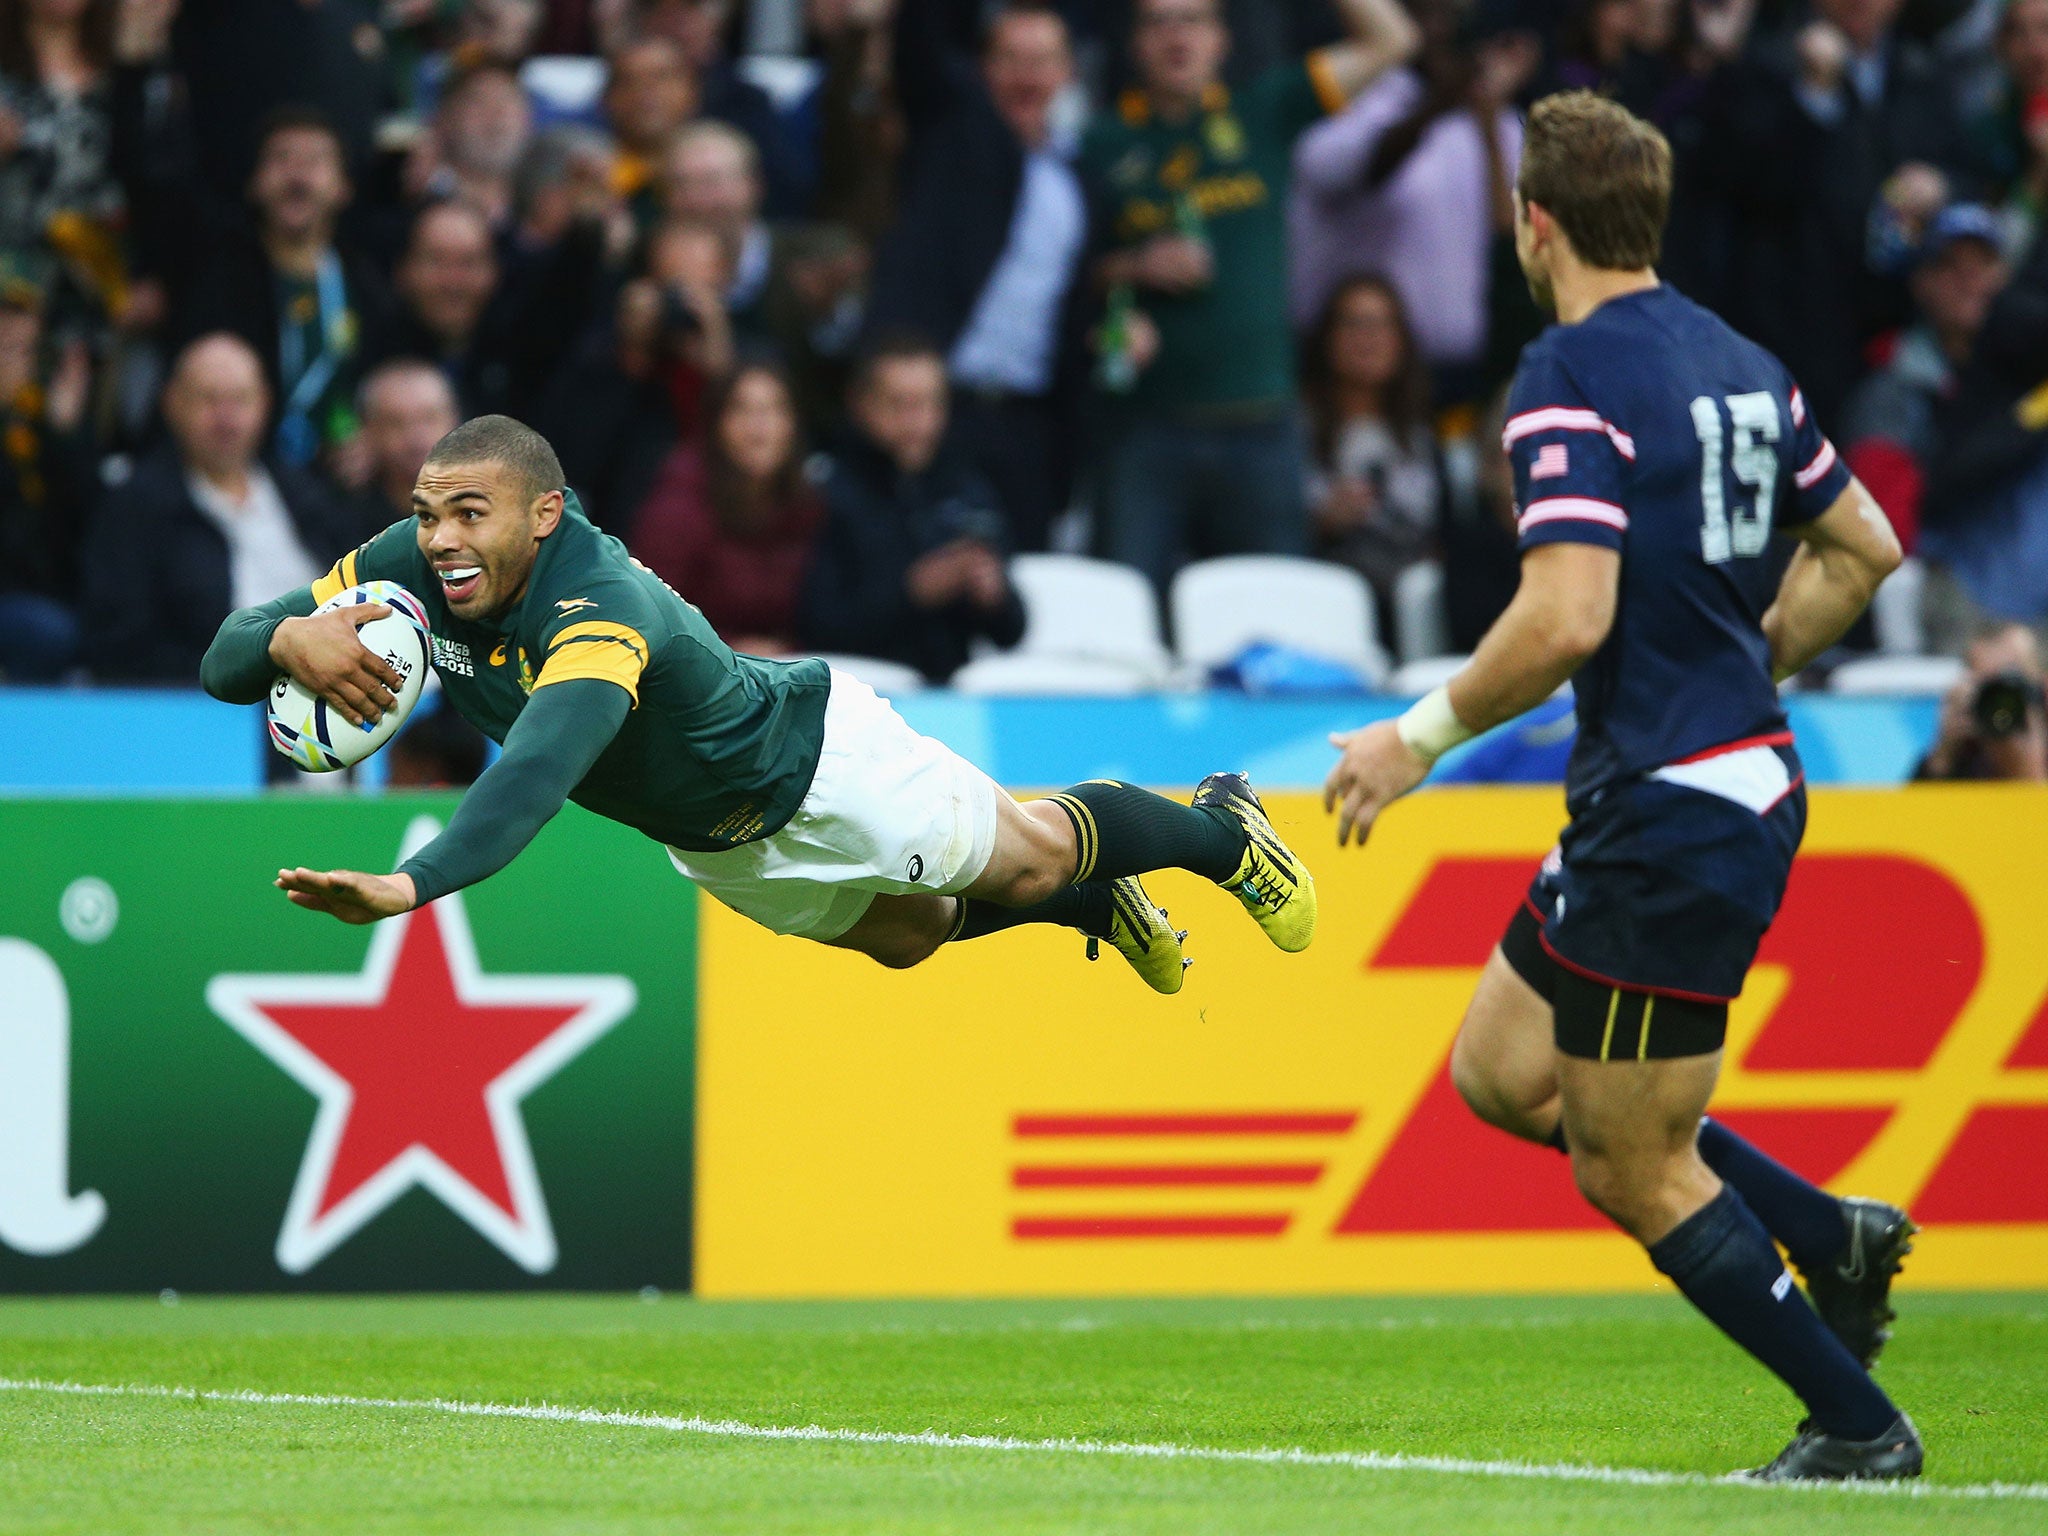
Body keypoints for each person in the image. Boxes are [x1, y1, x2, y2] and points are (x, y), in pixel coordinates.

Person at [1321, 93, 1919, 1482]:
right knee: (1507, 1074)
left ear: (1537, 224)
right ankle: (1830, 1237)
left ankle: (1859, 1426)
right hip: (1683, 787)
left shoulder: (1566, 375)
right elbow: (1868, 545)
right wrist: (1750, 658)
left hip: (1674, 808)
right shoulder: (1741, 362)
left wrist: (1415, 736)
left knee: (1628, 1166)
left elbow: (1567, 613)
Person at [198, 412, 1322, 1001]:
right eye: (427, 511)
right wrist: (292, 631)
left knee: (1025, 855)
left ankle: (1222, 828)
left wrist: (412, 882)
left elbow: (540, 768)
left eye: (469, 513)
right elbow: (224, 660)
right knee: (910, 939)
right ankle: (1094, 909)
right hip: (713, 837)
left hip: (815, 760)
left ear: (544, 515)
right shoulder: (406, 561)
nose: (440, 537)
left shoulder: (600, 606)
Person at [1079, 0, 1420, 590]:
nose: (1176, 37)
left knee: (1272, 613)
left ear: (1221, 38)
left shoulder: (1266, 107)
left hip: (1261, 424)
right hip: (1145, 428)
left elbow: (1393, 40)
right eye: (1159, 22)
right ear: (1134, 43)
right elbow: (1071, 279)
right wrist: (1132, 265)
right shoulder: (1100, 141)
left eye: (1193, 20)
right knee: (1127, 613)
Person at [868, 0, 1092, 552]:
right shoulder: (950, 130)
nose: (1027, 75)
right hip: (932, 410)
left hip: (1029, 426)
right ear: (982, 68)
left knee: (1020, 594)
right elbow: (918, 47)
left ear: (1069, 73)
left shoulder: (1082, 175)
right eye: (1011, 58)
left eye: (1042, 60)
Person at [1288, 8, 1535, 389]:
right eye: (1422, 10)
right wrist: (1438, 105)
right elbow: (1358, 169)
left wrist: (1484, 118)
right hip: (1366, 382)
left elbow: (1513, 239)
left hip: (1476, 371)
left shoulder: (1497, 121)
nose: (1437, 27)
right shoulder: (1349, 104)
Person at [83, 332, 353, 681]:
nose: (227, 420)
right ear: (171, 404)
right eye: (209, 400)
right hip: (224, 695)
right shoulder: (136, 507)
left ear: (265, 403)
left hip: (338, 669)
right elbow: (120, 644)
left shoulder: (304, 491)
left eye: (241, 400)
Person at [172, 106, 393, 471]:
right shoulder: (217, 279)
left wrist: (375, 438)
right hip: (239, 473)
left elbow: (391, 381)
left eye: (315, 160)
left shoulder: (370, 286)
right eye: (281, 158)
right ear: (254, 184)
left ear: (344, 188)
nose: (297, 174)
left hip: (341, 485)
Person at [800, 332, 1023, 682]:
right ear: (860, 403)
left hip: (953, 702)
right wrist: (911, 592)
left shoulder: (967, 487)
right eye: (899, 404)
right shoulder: (824, 492)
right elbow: (816, 623)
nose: (916, 421)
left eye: (929, 403)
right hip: (854, 697)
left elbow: (1013, 631)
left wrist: (993, 595)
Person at [1840, 203, 2008, 553]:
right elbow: (1880, 537)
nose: (1970, 278)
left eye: (1984, 262)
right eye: (1949, 264)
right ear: (1920, 282)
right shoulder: (1891, 389)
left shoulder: (2020, 372)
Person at [630, 359, 822, 654]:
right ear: (715, 422)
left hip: (781, 670)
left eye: (774, 410)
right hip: (693, 676)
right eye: (741, 410)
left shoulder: (804, 502)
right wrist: (730, 648)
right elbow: (651, 615)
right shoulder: (679, 503)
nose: (759, 427)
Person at [1301, 273, 1443, 637]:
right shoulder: (1293, 431)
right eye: (1353, 323)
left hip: (1417, 613)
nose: (1368, 338)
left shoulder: (1422, 434)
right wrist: (1321, 522)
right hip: (1323, 609)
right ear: (1327, 337)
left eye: (1382, 324)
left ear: (1402, 339)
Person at [1913, 622, 2048, 779]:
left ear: (2040, 680)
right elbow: (1912, 804)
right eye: (1990, 685)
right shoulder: (1967, 744)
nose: (2001, 700)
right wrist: (1944, 754)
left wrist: (2031, 767)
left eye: (2013, 680)